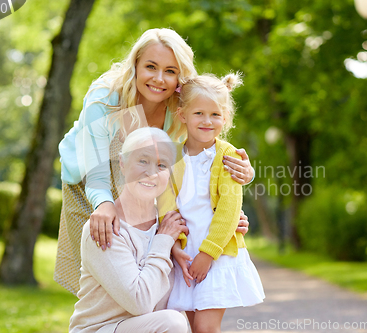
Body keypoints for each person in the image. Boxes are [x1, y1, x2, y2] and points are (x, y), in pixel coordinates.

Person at [55, 28, 255, 295]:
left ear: (180, 76)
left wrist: (231, 196)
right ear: (135, 64)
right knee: (101, 283)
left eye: (170, 71)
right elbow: (97, 170)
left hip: (143, 183)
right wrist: (103, 204)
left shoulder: (181, 105)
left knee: (148, 274)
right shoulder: (106, 97)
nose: (159, 79)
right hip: (89, 183)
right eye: (151, 66)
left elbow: (200, 156)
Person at [158, 73, 265, 333]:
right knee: (194, 328)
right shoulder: (172, 156)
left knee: (206, 328)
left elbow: (229, 210)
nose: (207, 121)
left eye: (216, 115)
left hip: (215, 255)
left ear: (225, 118)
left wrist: (207, 254)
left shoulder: (227, 155)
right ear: (182, 115)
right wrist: (173, 247)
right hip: (185, 255)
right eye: (199, 114)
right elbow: (165, 207)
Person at [69, 127, 189, 333]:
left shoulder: (170, 226)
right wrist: (163, 241)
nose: (151, 172)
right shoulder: (102, 227)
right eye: (143, 160)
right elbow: (139, 302)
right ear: (122, 164)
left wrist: (234, 224)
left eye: (161, 165)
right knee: (173, 322)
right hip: (99, 330)